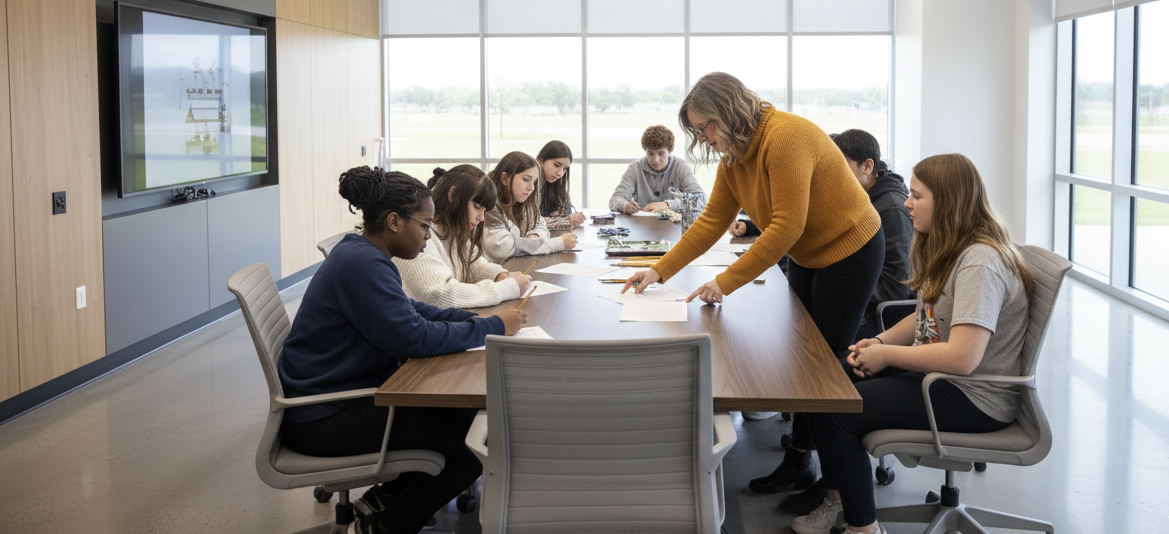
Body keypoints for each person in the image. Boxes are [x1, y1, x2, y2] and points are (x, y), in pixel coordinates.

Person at [276, 166, 528, 534]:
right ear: (394, 221)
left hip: (339, 398)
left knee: (468, 426)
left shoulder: (365, 254)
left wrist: (466, 319)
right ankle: (386, 527)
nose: (429, 236)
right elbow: (413, 338)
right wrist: (489, 327)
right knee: (480, 442)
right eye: (424, 226)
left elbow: (410, 311)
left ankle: (381, 501)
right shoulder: (362, 265)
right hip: (325, 417)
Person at [791, 153, 1034, 534]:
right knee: (821, 385)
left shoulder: (980, 263)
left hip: (972, 396)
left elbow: (963, 357)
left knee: (836, 410)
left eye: (918, 196)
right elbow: (926, 316)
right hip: (938, 375)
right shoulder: (953, 246)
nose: (907, 202)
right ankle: (837, 501)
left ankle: (863, 527)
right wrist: (879, 341)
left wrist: (887, 355)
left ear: (949, 202)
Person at [623, 71, 883, 350]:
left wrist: (725, 282)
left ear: (726, 112)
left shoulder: (785, 137)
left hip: (851, 247)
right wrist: (658, 270)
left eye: (703, 128)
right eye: (696, 131)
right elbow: (711, 221)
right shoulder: (734, 159)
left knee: (828, 353)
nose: (700, 139)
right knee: (802, 344)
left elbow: (787, 226)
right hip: (806, 252)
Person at [393, 165, 532, 309]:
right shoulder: (418, 235)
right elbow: (441, 294)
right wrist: (508, 288)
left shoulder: (451, 228)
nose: (481, 218)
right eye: (477, 207)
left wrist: (500, 276)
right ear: (453, 195)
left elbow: (475, 265)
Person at [482, 151, 578, 263]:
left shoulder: (522, 201)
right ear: (505, 179)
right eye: (526, 180)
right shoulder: (488, 204)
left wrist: (534, 236)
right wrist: (558, 243)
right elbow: (504, 248)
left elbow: (539, 222)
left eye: (535, 182)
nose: (531, 188)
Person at [609, 125, 706, 214]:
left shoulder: (681, 167)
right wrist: (625, 206)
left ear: (670, 150)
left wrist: (669, 205)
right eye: (650, 153)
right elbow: (615, 199)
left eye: (661, 153)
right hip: (643, 226)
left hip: (673, 227)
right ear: (645, 150)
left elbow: (700, 200)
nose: (655, 160)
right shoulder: (635, 168)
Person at [537, 140, 586, 232]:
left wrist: (573, 218)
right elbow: (530, 223)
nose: (560, 173)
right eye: (556, 165)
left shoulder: (558, 186)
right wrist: (568, 220)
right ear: (541, 161)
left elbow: (566, 214)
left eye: (565, 169)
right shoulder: (529, 185)